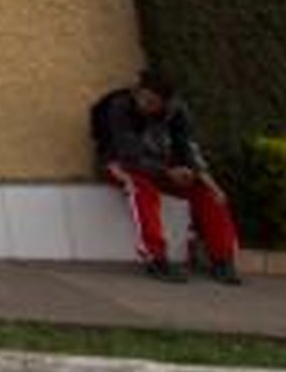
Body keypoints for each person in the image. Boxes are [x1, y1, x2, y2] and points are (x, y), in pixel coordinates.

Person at [90, 68, 242, 283]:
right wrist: (168, 172)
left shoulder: (177, 111)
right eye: (142, 98)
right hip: (120, 164)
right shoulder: (120, 107)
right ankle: (156, 258)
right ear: (137, 92)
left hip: (162, 166)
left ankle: (222, 260)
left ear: (166, 103)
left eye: (152, 102)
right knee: (142, 188)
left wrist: (204, 177)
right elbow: (129, 155)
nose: (144, 105)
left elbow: (188, 147)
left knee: (209, 193)